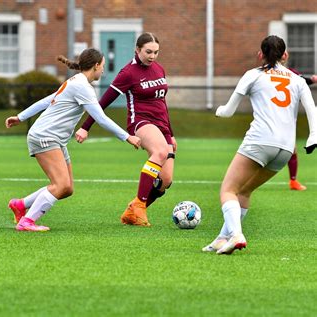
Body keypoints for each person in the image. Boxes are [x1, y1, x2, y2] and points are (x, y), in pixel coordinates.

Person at [202, 35, 317, 255]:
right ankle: (222, 238)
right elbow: (312, 109)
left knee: (228, 190)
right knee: (244, 191)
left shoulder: (253, 75)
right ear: (285, 55)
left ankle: (236, 235)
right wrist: (313, 136)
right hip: (284, 149)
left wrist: (218, 111)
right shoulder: (297, 80)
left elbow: (228, 112)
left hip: (260, 141)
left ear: (260, 54)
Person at [5, 48, 141, 232]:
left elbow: (47, 100)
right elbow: (101, 118)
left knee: (67, 188)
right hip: (45, 136)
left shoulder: (76, 81)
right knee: (60, 185)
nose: (103, 70)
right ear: (96, 66)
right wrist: (127, 137)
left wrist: (20, 117)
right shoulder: (82, 86)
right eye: (102, 66)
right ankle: (27, 221)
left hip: (55, 138)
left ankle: (20, 205)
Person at [75, 32, 176, 227]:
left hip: (162, 125)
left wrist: (170, 134)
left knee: (166, 180)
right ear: (137, 50)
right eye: (148, 52)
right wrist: (85, 127)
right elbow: (103, 102)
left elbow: (163, 103)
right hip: (141, 122)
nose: (152, 56)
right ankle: (139, 206)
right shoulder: (128, 72)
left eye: (156, 52)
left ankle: (133, 211)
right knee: (160, 152)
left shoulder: (159, 69)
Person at [285, 66, 317, 191]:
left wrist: (311, 80)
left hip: (288, 119)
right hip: (276, 118)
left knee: (292, 150)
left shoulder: (291, 73)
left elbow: (302, 80)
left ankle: (293, 181)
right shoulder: (265, 72)